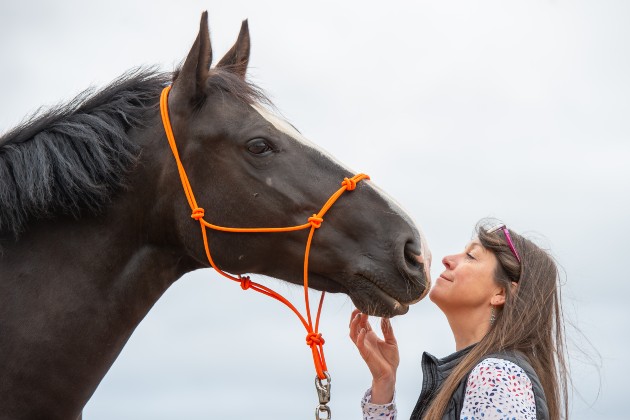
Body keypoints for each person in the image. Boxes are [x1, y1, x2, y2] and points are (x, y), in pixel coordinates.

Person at [349, 221, 569, 419]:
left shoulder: (495, 377)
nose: (446, 260)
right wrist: (383, 385)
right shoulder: (477, 376)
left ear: (501, 292)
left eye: (471, 256)